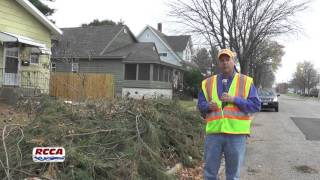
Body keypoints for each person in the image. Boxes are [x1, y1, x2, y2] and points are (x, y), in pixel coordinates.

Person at [198, 48, 261, 180]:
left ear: (234, 62)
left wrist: (234, 99)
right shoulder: (207, 83)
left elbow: (256, 105)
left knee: (233, 176)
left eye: (228, 59)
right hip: (214, 135)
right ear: (218, 64)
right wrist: (207, 106)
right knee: (210, 174)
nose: (225, 63)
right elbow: (200, 105)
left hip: (236, 136)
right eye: (222, 60)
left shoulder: (246, 81)